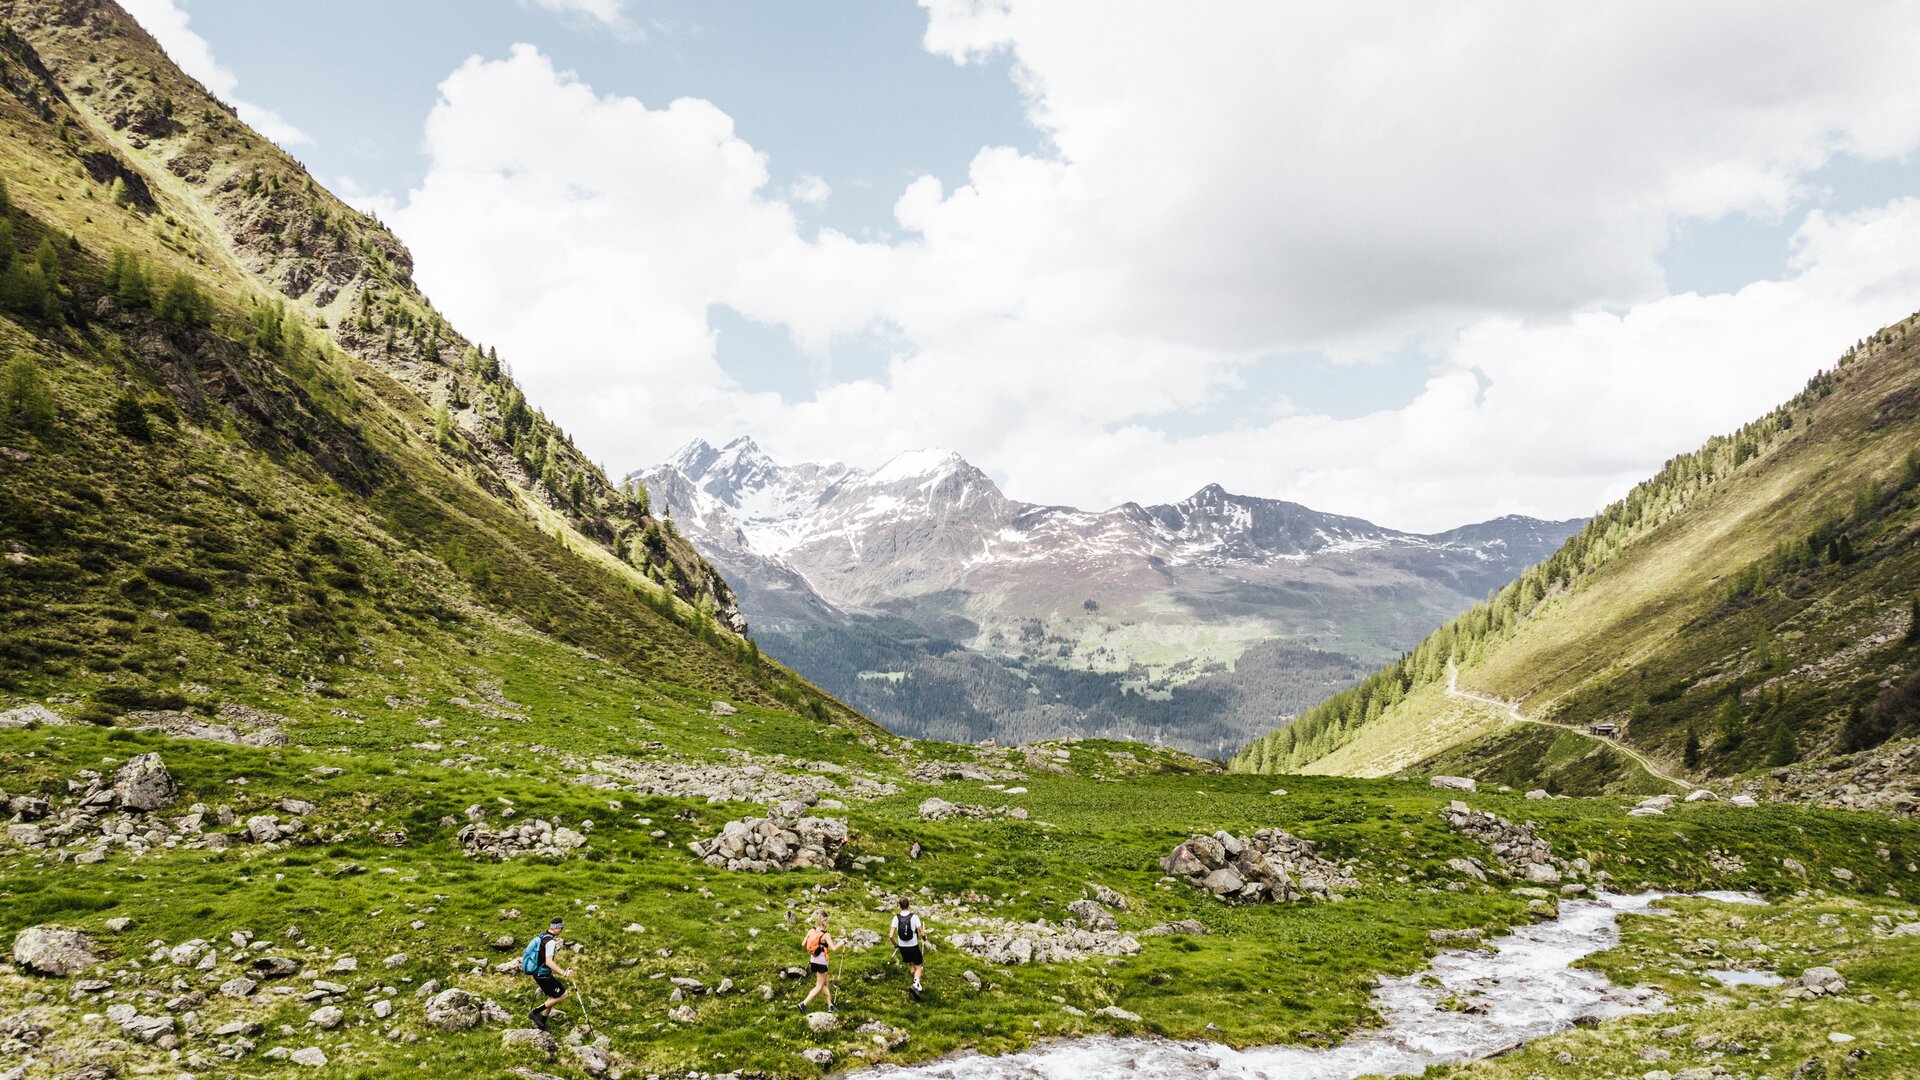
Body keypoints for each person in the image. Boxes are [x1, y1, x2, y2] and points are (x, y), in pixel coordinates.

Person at [526, 917, 574, 1031]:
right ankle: (534, 1013)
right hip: (543, 975)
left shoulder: (542, 936)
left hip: (539, 973)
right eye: (561, 928)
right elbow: (549, 961)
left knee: (552, 997)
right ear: (557, 928)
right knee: (563, 995)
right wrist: (564, 973)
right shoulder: (551, 942)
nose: (562, 930)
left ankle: (542, 1024)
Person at [888, 897, 926, 1000]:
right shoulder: (914, 917)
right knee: (919, 966)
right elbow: (922, 932)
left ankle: (916, 985)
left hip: (902, 947)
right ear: (909, 905)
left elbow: (891, 936)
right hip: (913, 945)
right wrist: (924, 937)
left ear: (899, 906)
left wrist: (895, 944)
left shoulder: (896, 918)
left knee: (911, 964)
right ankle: (916, 984)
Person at [799, 912, 835, 1013]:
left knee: (825, 984)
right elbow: (833, 948)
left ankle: (830, 1006)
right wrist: (842, 942)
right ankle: (803, 1004)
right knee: (819, 986)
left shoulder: (812, 931)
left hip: (813, 961)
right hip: (822, 963)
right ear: (826, 922)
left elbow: (803, 944)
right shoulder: (826, 935)